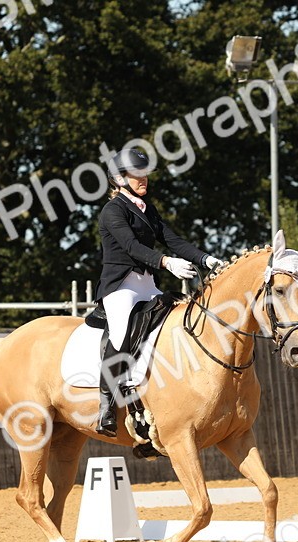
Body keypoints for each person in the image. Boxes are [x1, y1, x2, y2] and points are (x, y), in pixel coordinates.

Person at [95, 148, 224, 436]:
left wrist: (205, 259)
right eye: (137, 174)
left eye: (145, 174)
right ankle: (106, 404)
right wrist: (166, 262)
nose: (144, 179)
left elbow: (172, 240)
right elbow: (132, 247)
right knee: (120, 331)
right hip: (120, 287)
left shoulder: (147, 209)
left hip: (146, 285)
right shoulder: (112, 210)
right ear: (119, 178)